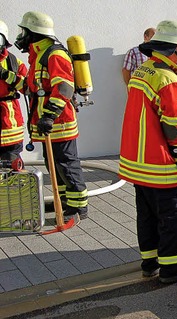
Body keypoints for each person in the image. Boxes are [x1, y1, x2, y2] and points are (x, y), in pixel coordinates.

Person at [118, 20, 177, 284]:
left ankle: (150, 264)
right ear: (175, 50)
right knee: (173, 216)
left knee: (147, 216)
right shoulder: (169, 79)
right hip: (159, 164)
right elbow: (174, 129)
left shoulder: (144, 69)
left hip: (136, 162)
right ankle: (173, 271)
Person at [15, 11, 88, 220]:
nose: (22, 36)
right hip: (49, 124)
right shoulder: (38, 55)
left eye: (24, 31)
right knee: (55, 166)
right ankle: (64, 203)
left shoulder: (54, 54)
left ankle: (78, 208)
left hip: (60, 122)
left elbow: (64, 88)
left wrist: (48, 116)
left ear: (35, 33)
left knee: (67, 165)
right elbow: (33, 88)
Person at [0, 20, 27, 163]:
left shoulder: (13, 62)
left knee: (12, 163)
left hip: (10, 122)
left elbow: (27, 88)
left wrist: (6, 75)